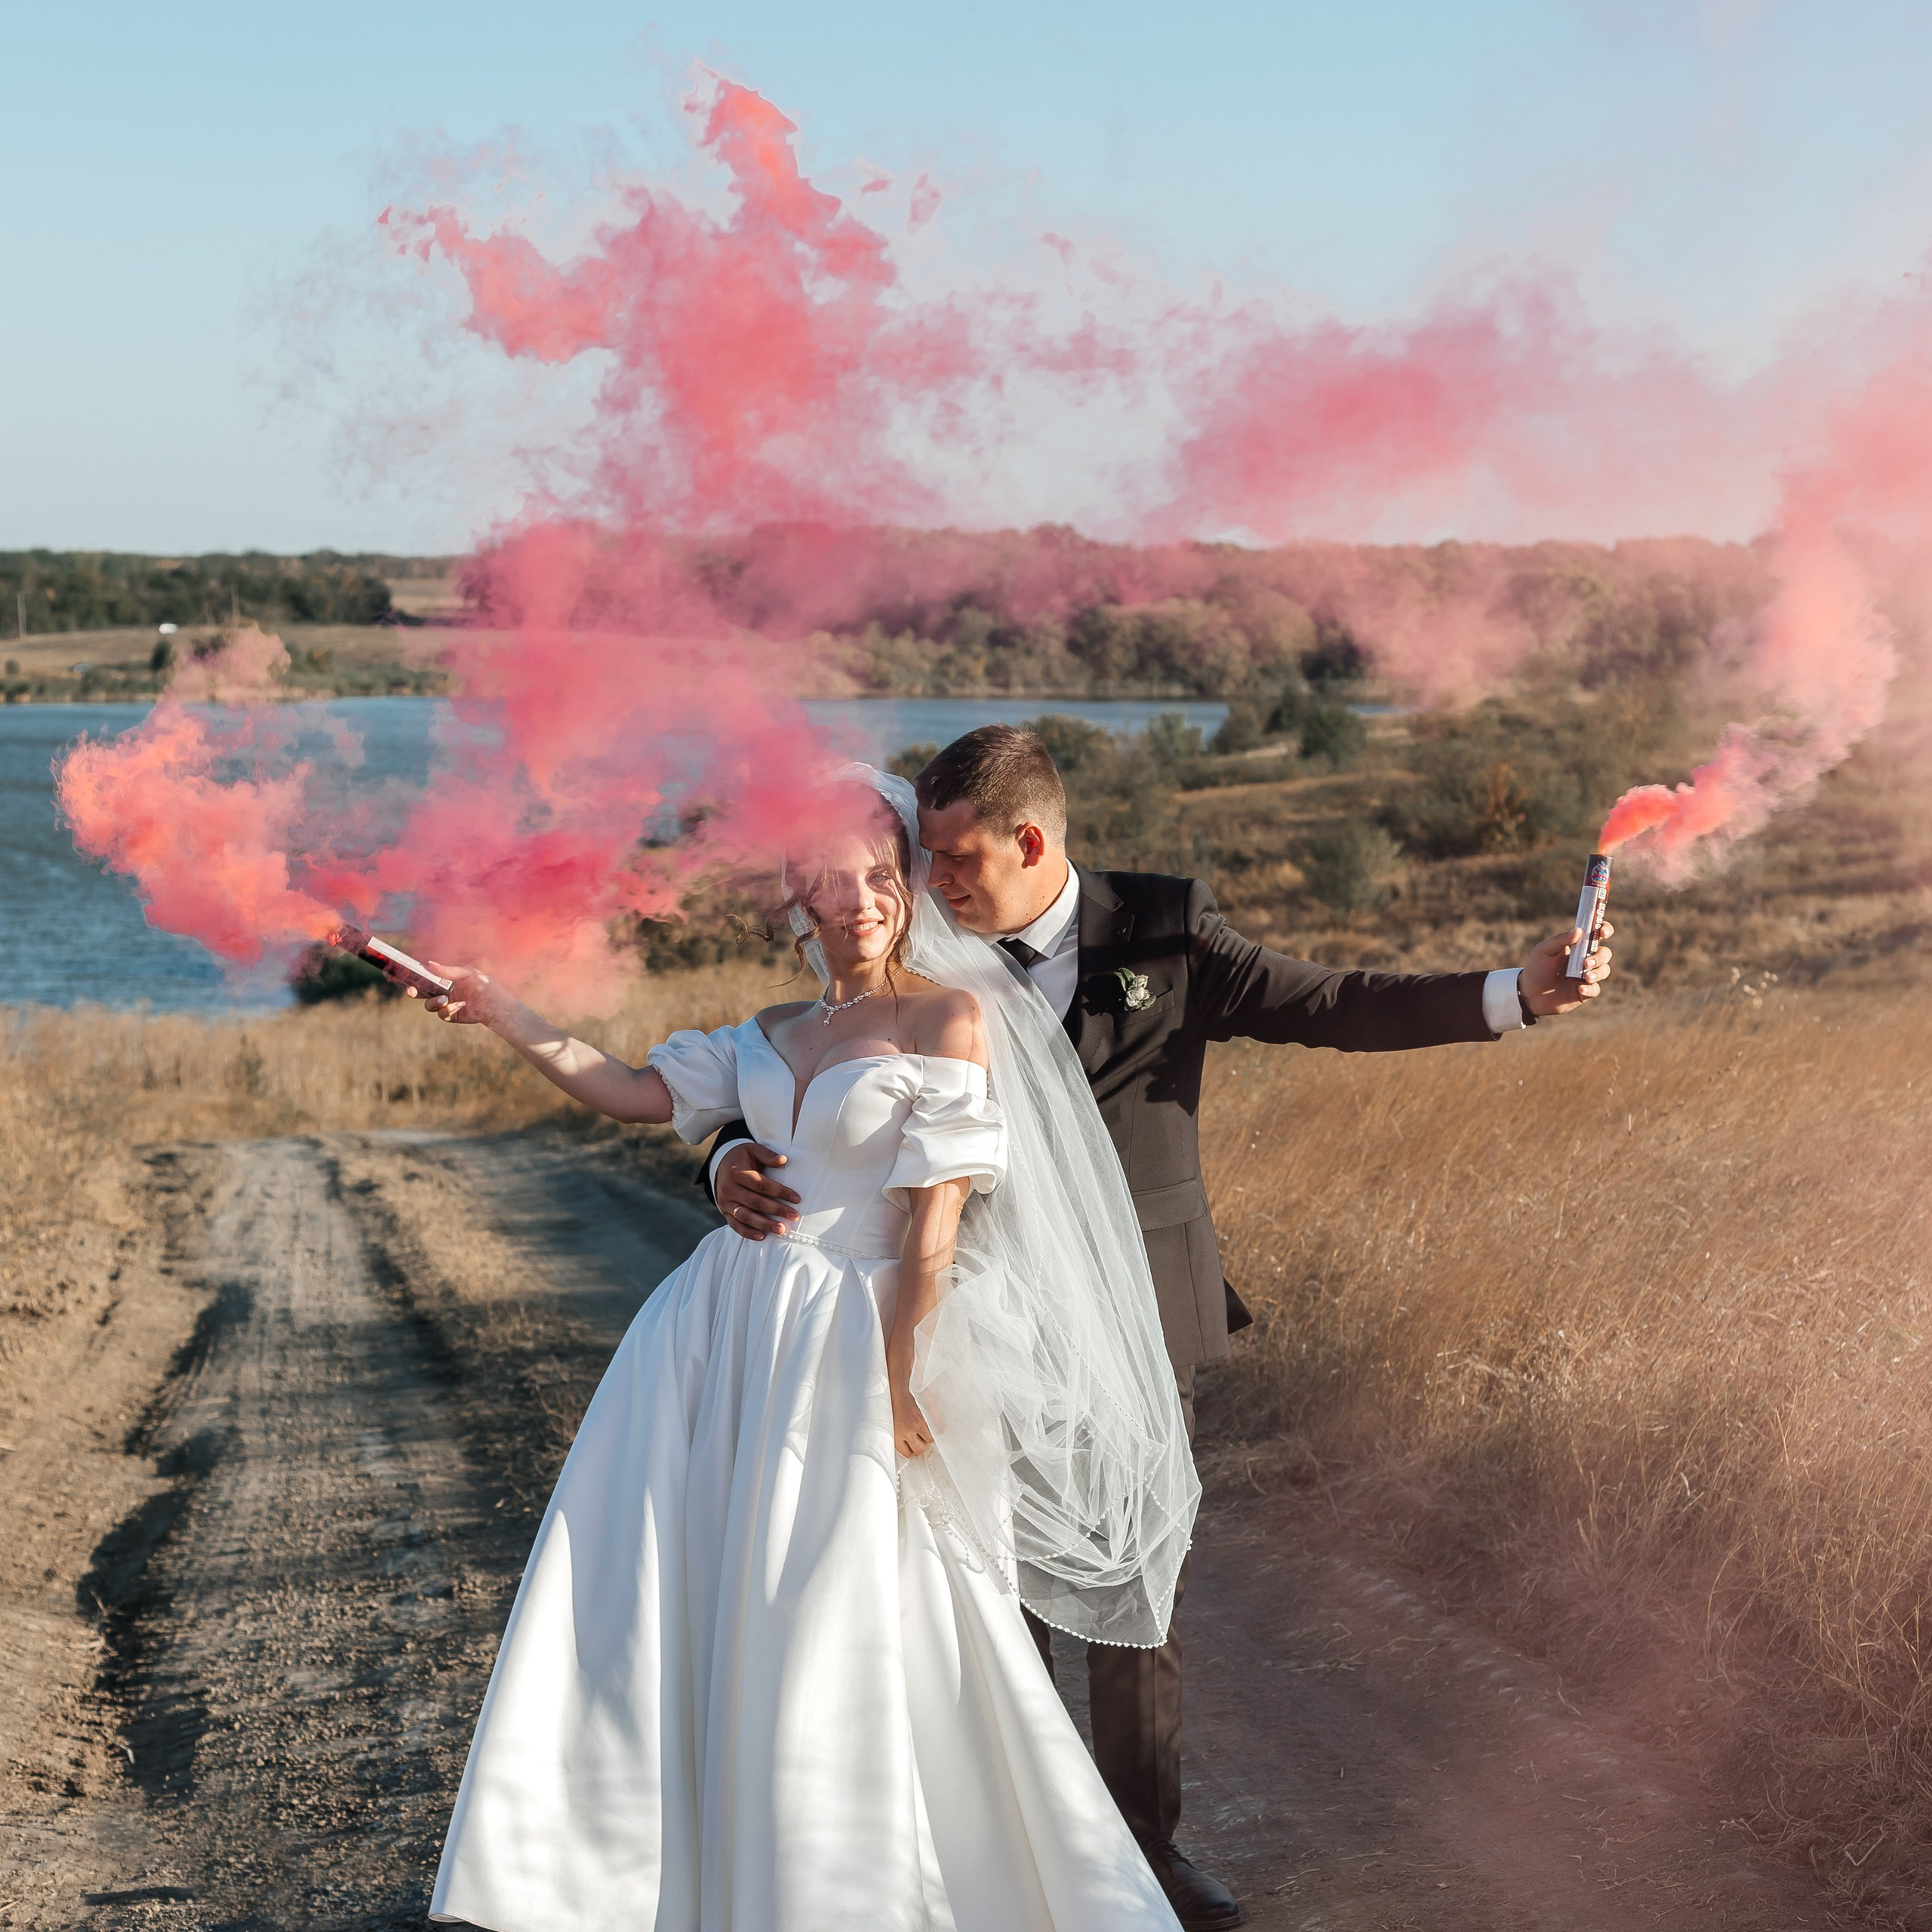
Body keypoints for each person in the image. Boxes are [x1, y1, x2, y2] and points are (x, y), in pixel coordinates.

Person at [706, 724, 1617, 1932]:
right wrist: (720, 1156)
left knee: (1138, 1579)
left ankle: (1145, 1856)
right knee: (983, 1589)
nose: (934, 882)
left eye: (958, 858)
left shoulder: (1166, 931)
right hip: (966, 1311)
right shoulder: (912, 956)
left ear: (1031, 842)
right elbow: (792, 1093)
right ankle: (1004, 1846)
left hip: (1141, 1304)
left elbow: (1335, 1004)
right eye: (923, 859)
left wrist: (1517, 995)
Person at [411, 768, 1199, 1932]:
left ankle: (866, 1884)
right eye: (837, 879)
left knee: (856, 1607)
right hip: (723, 1332)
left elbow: (932, 1232)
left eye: (884, 875)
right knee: (705, 1590)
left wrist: (891, 1387)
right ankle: (692, 1873)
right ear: (797, 892)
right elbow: (627, 1087)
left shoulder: (948, 1018)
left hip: (854, 1341)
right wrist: (500, 1010)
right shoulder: (770, 1032)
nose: (865, 898)